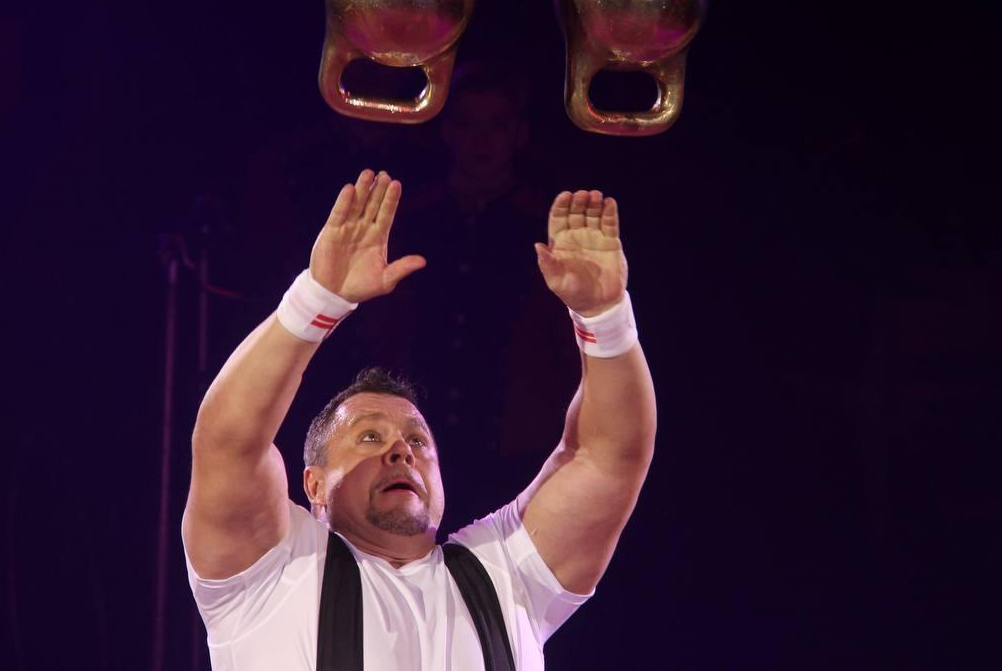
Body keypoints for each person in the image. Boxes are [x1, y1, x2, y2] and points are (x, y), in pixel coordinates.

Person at [182, 169, 656, 669]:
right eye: (370, 436)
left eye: (417, 440)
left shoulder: (506, 574)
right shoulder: (271, 572)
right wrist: (316, 301)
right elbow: (228, 441)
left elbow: (606, 458)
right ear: (314, 485)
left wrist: (604, 317)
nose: (401, 451)